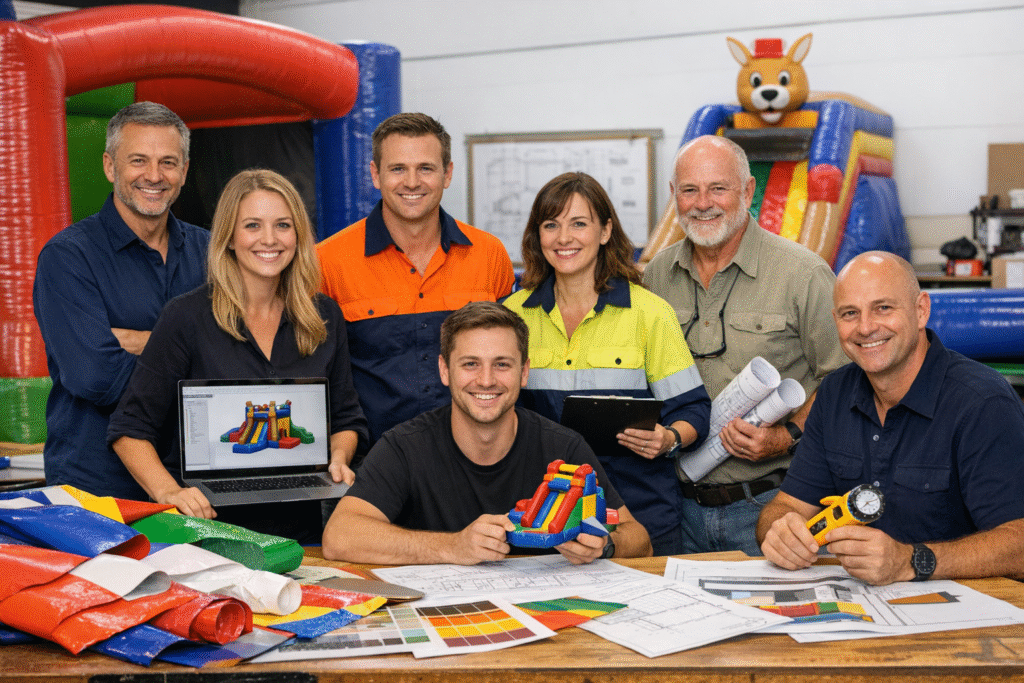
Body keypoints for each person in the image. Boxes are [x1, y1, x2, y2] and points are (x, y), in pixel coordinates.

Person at [108, 169, 368, 544]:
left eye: (283, 225)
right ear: (229, 237)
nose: (269, 239)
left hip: (300, 535)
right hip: (208, 534)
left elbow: (346, 417)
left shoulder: (324, 316)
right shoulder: (185, 318)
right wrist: (169, 493)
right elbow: (129, 430)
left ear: (298, 236)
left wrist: (339, 458)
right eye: (252, 225)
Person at [758, 251, 1024, 585]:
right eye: (850, 313)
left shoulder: (983, 403)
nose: (866, 328)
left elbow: (1020, 544)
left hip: (964, 621)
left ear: (920, 310)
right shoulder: (834, 394)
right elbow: (785, 507)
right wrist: (779, 532)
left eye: (883, 308)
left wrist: (910, 561)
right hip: (863, 610)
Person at [322, 301, 652, 565]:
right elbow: (340, 537)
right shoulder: (404, 447)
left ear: (524, 373)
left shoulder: (562, 446)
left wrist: (605, 545)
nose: (486, 380)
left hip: (543, 624)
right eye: (470, 364)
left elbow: (639, 538)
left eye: (502, 364)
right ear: (444, 371)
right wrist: (453, 547)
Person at [643, 135, 846, 556]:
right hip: (673, 510)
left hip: (770, 508)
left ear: (749, 191)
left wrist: (787, 435)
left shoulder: (803, 273)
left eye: (718, 188)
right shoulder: (656, 276)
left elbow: (845, 382)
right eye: (689, 190)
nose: (703, 203)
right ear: (674, 196)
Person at [503, 172, 710, 556]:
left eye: (579, 224)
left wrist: (669, 438)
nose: (564, 238)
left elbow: (694, 410)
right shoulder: (511, 316)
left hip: (640, 514)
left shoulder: (649, 314)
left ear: (605, 231)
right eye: (551, 225)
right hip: (543, 517)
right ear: (538, 235)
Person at [33, 102, 210, 500]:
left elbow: (242, 359)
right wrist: (195, 352)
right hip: (96, 487)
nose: (154, 175)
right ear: (110, 167)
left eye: (168, 162)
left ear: (183, 171)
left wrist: (145, 342)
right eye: (138, 161)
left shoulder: (213, 253)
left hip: (196, 484)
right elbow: (95, 377)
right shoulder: (68, 257)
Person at [316, 113, 515, 447]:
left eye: (425, 168)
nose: (412, 182)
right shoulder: (327, 261)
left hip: (475, 460)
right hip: (371, 465)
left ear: (447, 174)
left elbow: (510, 362)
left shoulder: (489, 254)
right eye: (397, 169)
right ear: (375, 175)